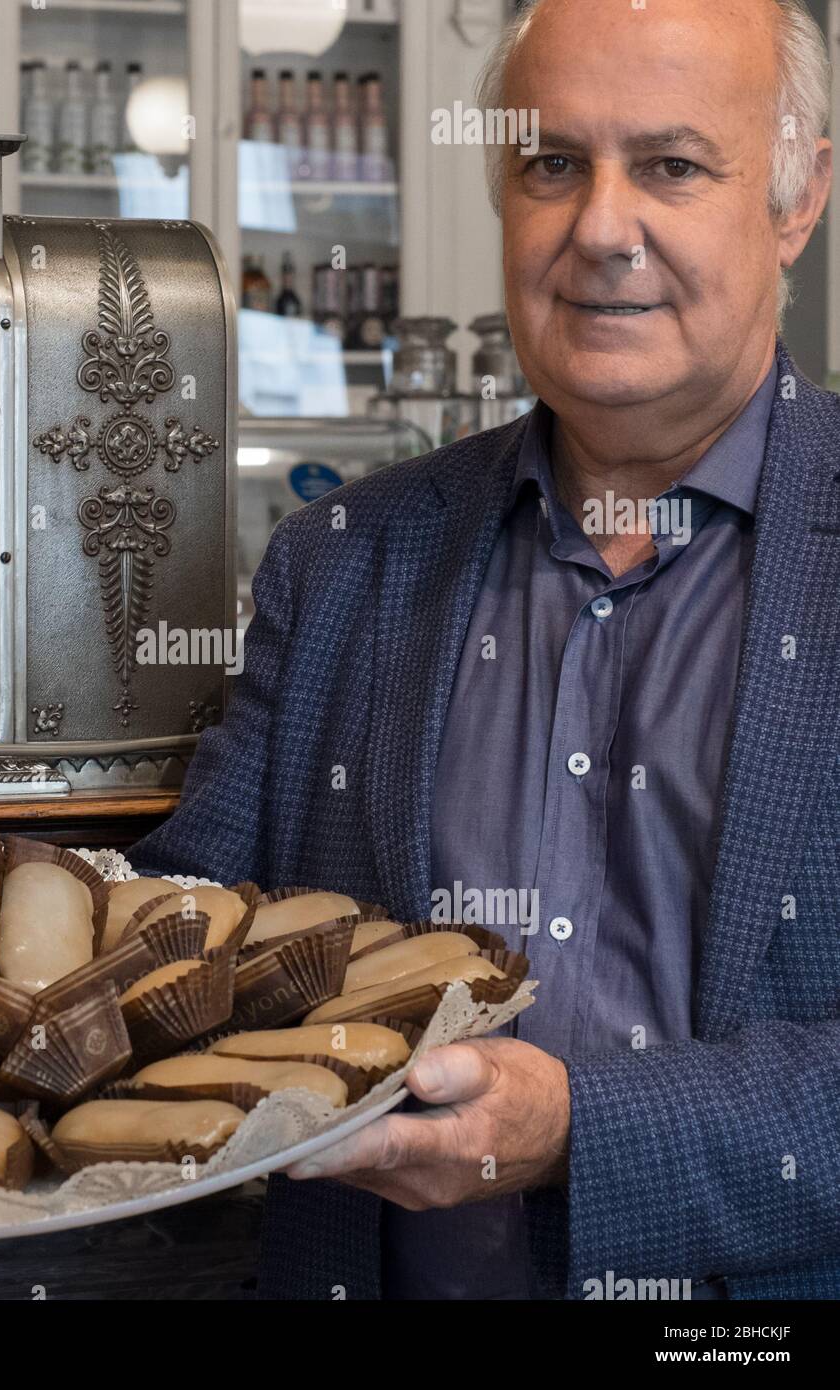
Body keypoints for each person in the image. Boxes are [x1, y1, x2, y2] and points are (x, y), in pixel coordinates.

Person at [130, 0, 840, 1298]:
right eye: (552, 164)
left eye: (672, 165)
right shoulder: (343, 557)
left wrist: (585, 1128)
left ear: (800, 196)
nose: (601, 227)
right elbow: (181, 948)